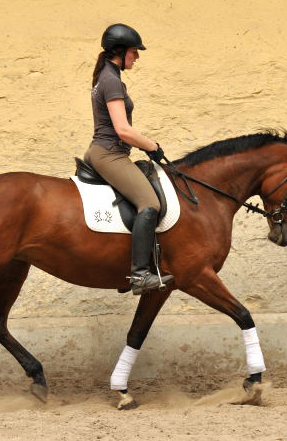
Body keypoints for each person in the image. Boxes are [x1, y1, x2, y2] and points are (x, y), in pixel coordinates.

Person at [84, 23, 174, 295]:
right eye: (134, 51)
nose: (137, 57)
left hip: (110, 152)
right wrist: (152, 146)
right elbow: (122, 129)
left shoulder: (109, 76)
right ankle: (140, 276)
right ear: (120, 51)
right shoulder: (111, 80)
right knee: (149, 204)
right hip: (109, 154)